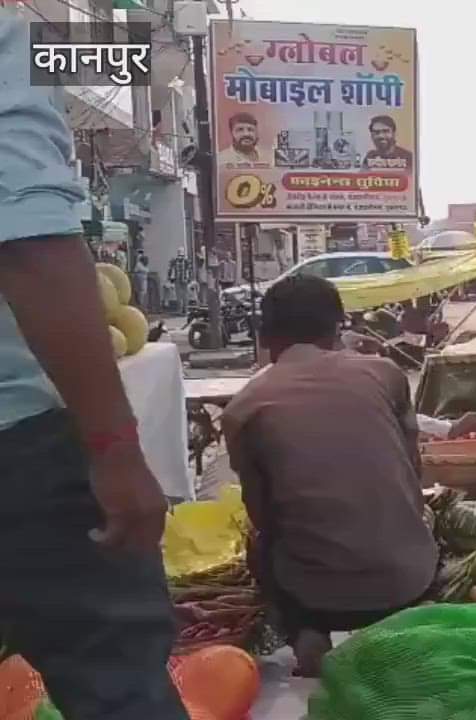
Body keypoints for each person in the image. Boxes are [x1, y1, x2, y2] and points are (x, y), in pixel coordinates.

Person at [0, 12, 187, 716]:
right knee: (116, 676)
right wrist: (114, 450)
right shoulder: (12, 43)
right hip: (14, 443)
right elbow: (31, 248)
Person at [221, 275, 437, 677]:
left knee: (258, 542)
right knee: (413, 514)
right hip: (408, 580)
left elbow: (261, 514)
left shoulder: (243, 408)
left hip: (316, 594)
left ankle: (306, 631)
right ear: (337, 328)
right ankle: (402, 620)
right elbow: (413, 471)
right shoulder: (385, 373)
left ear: (265, 336)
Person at [168, 248, 193, 315]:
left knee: (179, 296)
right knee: (185, 296)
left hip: (177, 280)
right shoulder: (186, 261)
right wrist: (189, 279)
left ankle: (180, 310)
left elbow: (170, 270)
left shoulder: (174, 260)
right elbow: (190, 271)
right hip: (185, 280)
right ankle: (185, 310)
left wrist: (170, 278)